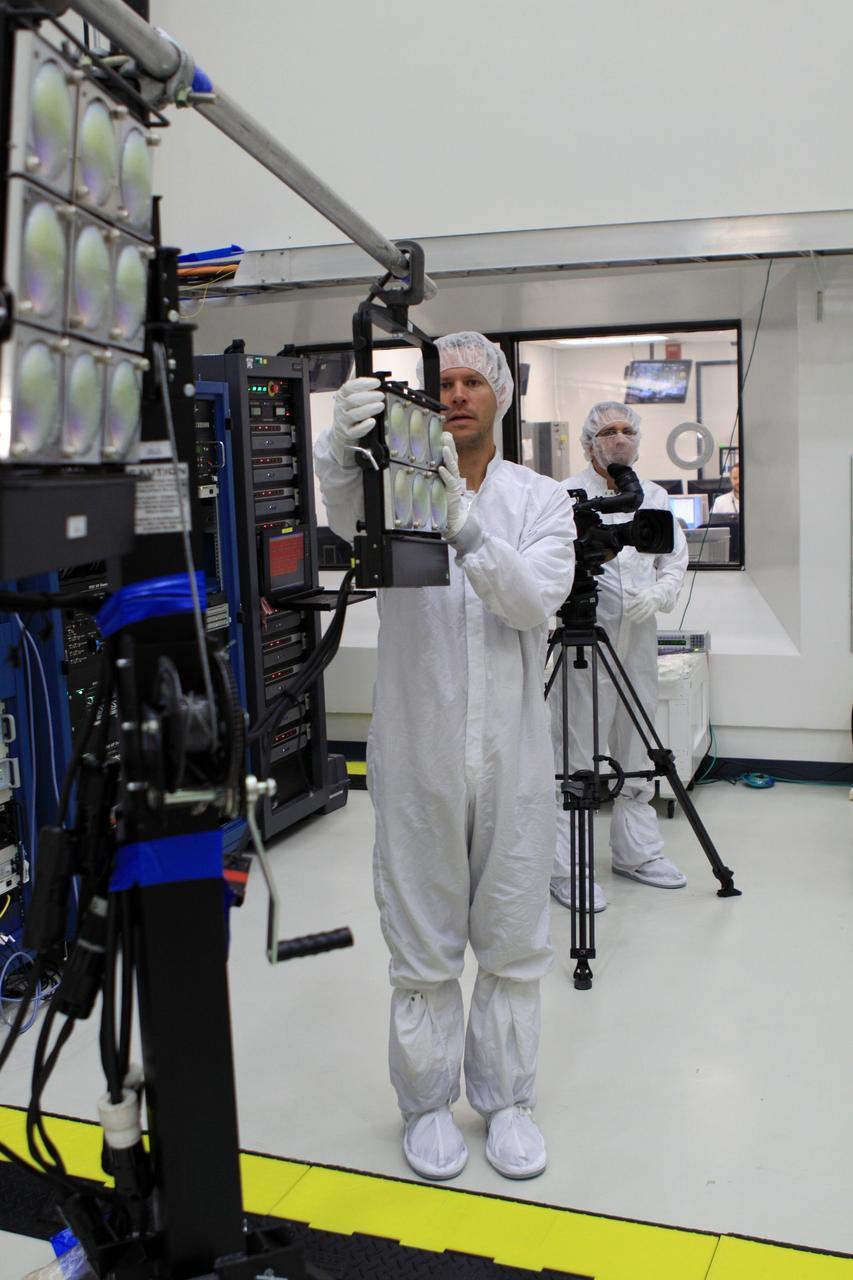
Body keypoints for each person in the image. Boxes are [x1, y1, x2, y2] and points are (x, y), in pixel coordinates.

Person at [314, 334, 575, 1183]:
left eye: (472, 381)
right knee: (421, 938)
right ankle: (426, 1105)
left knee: (512, 933)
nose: (457, 394)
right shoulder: (392, 492)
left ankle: (506, 1103)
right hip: (416, 749)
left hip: (512, 756)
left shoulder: (540, 500)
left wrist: (465, 529)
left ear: (499, 395)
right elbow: (341, 512)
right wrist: (337, 449)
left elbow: (533, 601)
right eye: (444, 383)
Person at [549, 401, 688, 914]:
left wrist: (661, 593)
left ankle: (637, 853)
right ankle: (568, 867)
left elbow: (674, 558)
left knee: (637, 742)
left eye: (628, 430)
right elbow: (549, 560)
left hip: (639, 637)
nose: (620, 438)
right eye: (608, 431)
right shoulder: (567, 494)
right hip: (585, 633)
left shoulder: (654, 495)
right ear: (589, 442)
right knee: (575, 745)